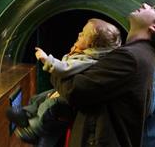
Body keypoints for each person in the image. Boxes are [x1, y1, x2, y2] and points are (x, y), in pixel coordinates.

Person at [50, 3, 155, 147]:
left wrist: (55, 68)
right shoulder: (142, 56)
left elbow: (74, 90)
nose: (145, 4)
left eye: (154, 8)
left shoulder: (132, 57)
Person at [6, 18, 122, 146]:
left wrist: (46, 59)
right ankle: (26, 113)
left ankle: (33, 129)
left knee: (50, 105)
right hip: (64, 93)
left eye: (83, 34)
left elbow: (65, 69)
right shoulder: (84, 53)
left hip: (69, 102)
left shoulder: (88, 59)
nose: (79, 34)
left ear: (91, 44)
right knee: (40, 98)